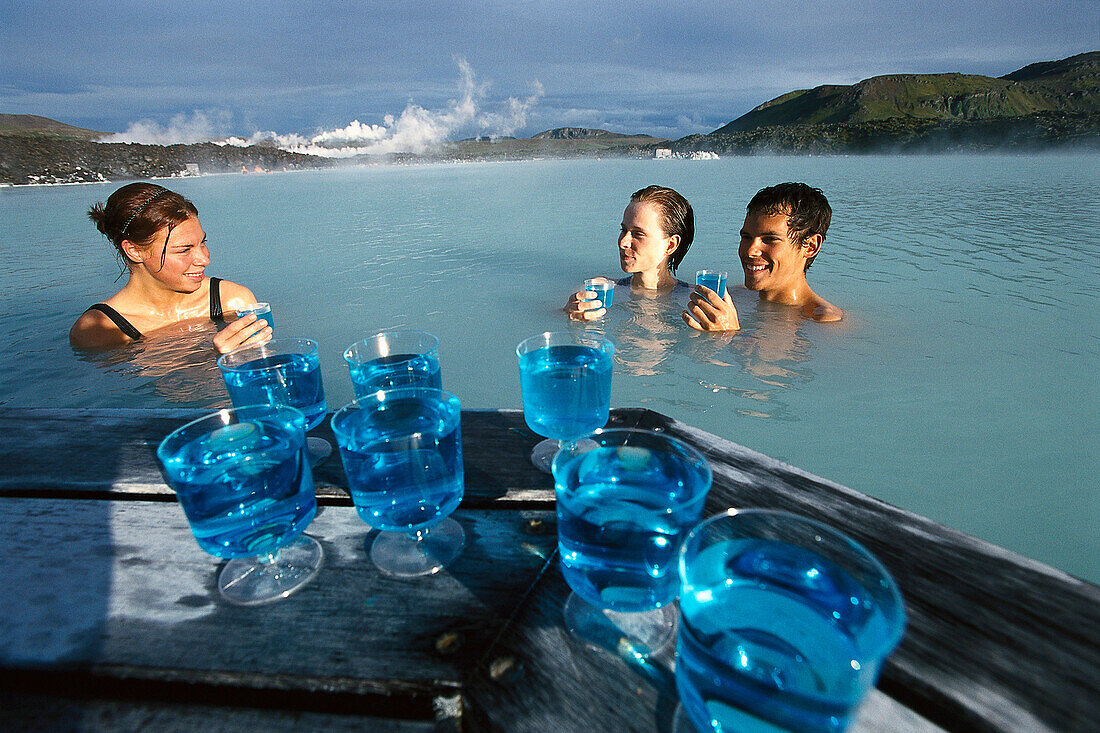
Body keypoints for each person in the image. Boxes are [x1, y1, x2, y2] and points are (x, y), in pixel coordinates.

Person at [69, 182, 271, 352]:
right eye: (184, 250)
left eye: (203, 242)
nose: (204, 259)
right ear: (134, 251)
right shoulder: (98, 331)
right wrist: (215, 360)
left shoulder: (233, 301)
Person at [683, 182, 843, 331]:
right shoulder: (739, 295)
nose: (750, 251)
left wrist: (730, 334)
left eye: (770, 239)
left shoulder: (824, 322)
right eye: (746, 237)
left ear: (810, 246)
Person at [565, 185, 694, 321]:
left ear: (670, 245)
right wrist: (568, 312)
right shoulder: (597, 291)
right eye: (623, 230)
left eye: (638, 234)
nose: (623, 242)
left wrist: (718, 330)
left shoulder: (697, 300)